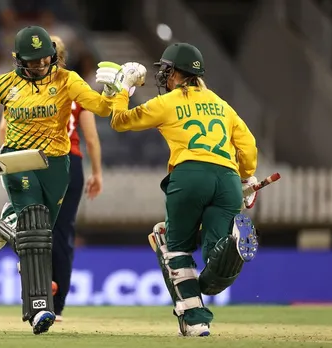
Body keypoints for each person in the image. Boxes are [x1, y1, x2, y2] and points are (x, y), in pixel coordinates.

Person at [0, 25, 129, 335]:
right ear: (18, 60)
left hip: (57, 163)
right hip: (18, 159)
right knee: (35, 228)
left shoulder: (67, 80)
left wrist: (116, 91)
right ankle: (39, 310)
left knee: (42, 232)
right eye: (32, 61)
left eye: (44, 60)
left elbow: (101, 108)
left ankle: (11, 218)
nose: (39, 66)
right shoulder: (6, 84)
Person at [96, 43, 259, 337]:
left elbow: (119, 121)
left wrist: (123, 88)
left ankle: (195, 320)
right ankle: (233, 246)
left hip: (190, 175)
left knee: (174, 247)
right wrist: (246, 177)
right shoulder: (222, 105)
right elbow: (247, 146)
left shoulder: (168, 102)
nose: (164, 76)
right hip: (228, 180)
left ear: (174, 72)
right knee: (213, 261)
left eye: (166, 70)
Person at [0, 35, 103, 322]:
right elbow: (91, 137)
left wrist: (8, 162)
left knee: (33, 230)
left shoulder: (22, 89)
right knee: (60, 233)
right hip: (69, 162)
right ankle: (54, 302)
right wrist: (98, 172)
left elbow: (4, 129)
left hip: (30, 159)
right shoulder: (75, 88)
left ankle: (37, 297)